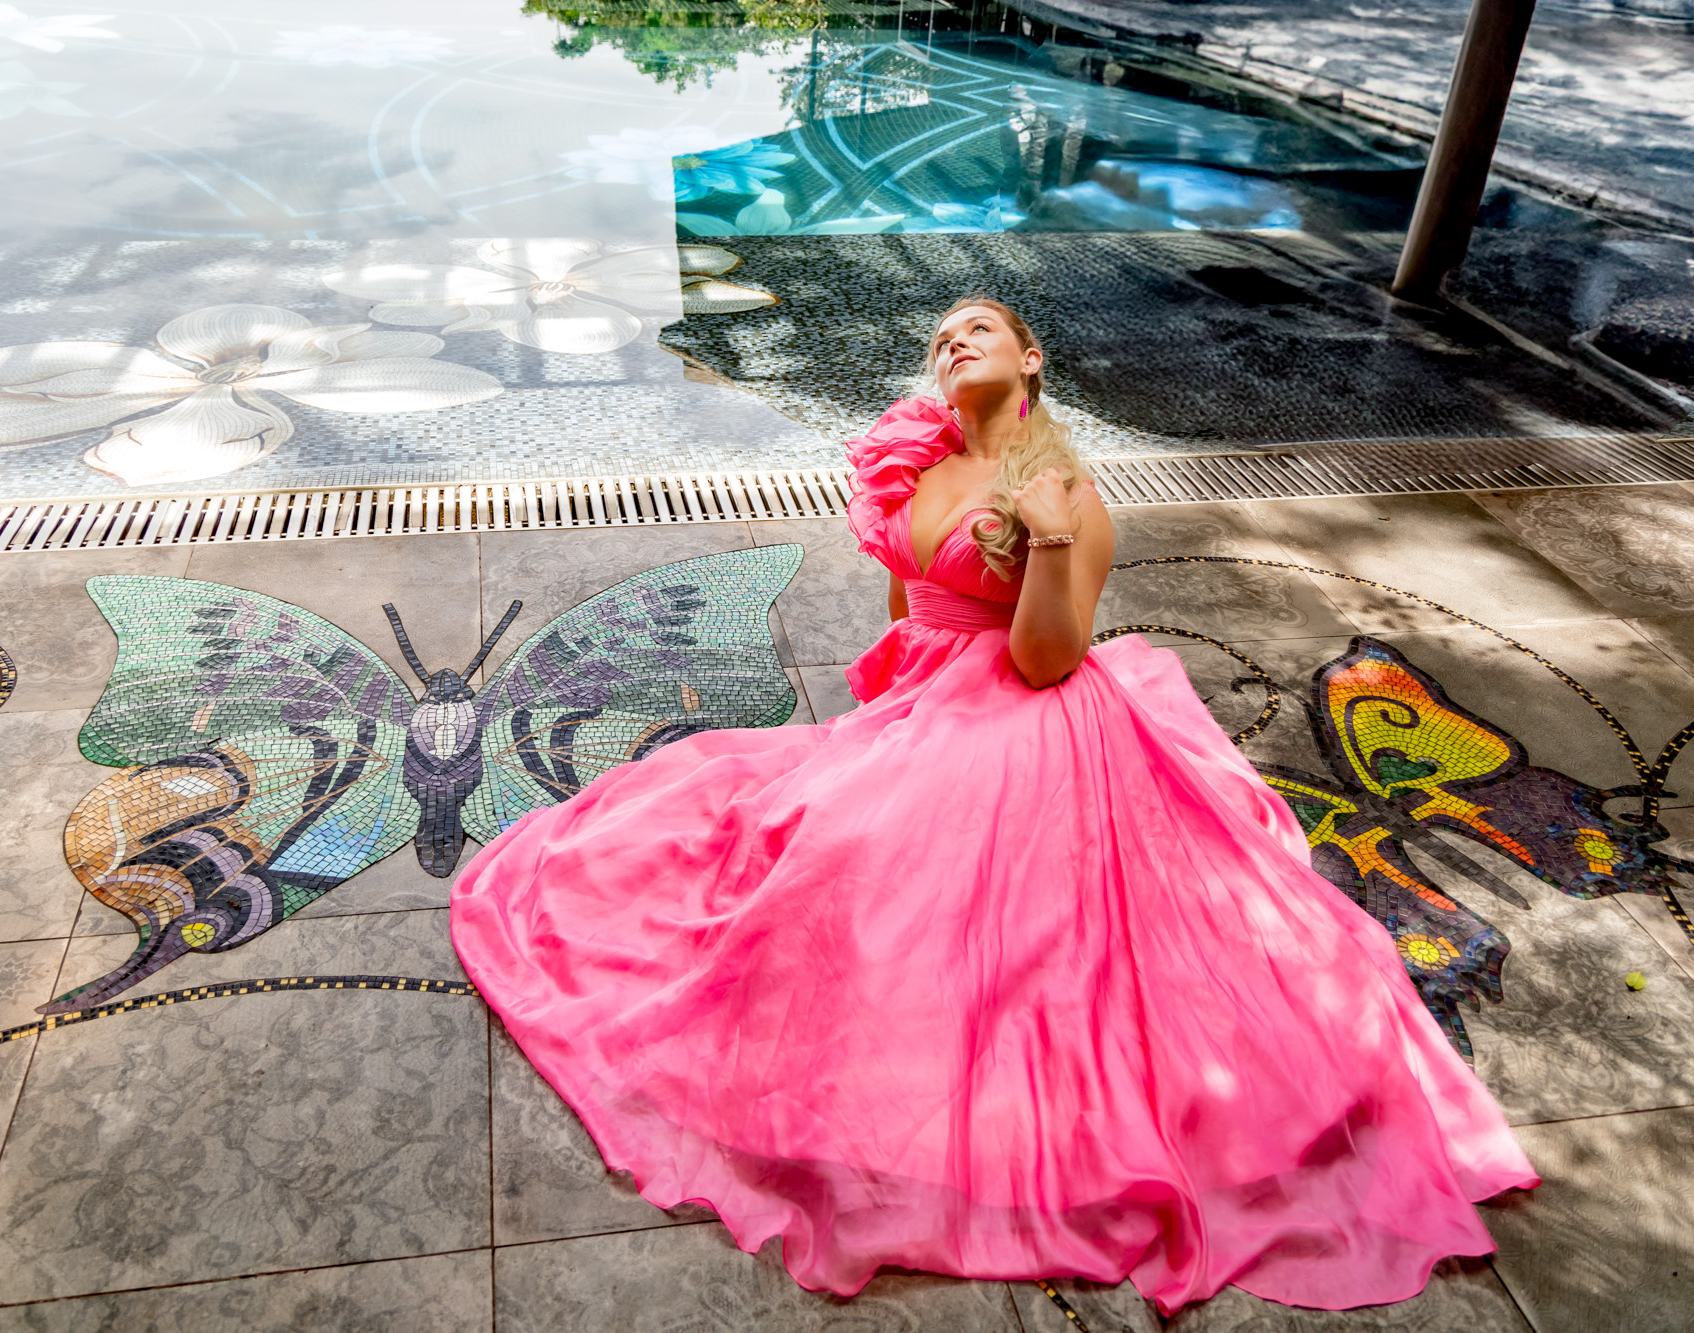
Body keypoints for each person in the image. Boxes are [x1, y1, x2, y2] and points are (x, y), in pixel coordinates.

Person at [449, 296, 1537, 1315]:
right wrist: (888, 712)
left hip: (1025, 704)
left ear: (1029, 361)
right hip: (930, 702)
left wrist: (1049, 539)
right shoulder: (911, 461)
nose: (954, 342)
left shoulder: (1061, 486)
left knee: (896, 892)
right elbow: (903, 602)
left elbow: (1048, 657)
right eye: (944, 338)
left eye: (980, 329)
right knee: (796, 836)